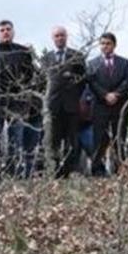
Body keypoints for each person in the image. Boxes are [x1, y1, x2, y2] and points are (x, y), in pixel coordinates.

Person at [0, 20, 39, 177]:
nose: (5, 32)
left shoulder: (23, 51)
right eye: (2, 30)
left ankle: (14, 174)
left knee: (15, 140)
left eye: (8, 29)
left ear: (13, 32)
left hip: (17, 104)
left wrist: (24, 97)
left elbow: (30, 76)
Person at [40, 26, 86, 178]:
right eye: (57, 36)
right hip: (54, 105)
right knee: (54, 139)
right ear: (53, 38)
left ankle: (72, 169)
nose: (60, 38)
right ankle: (57, 172)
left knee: (72, 140)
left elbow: (82, 80)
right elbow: (43, 81)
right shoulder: (46, 58)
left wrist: (75, 96)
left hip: (71, 105)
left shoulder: (76, 56)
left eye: (62, 35)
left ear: (66, 37)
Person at [86, 32, 128, 177]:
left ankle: (120, 170)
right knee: (99, 140)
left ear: (114, 45)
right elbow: (92, 82)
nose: (105, 46)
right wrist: (105, 95)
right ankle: (97, 170)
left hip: (119, 106)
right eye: (102, 43)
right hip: (100, 107)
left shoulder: (124, 62)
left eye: (108, 43)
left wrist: (116, 94)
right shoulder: (92, 63)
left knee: (120, 139)